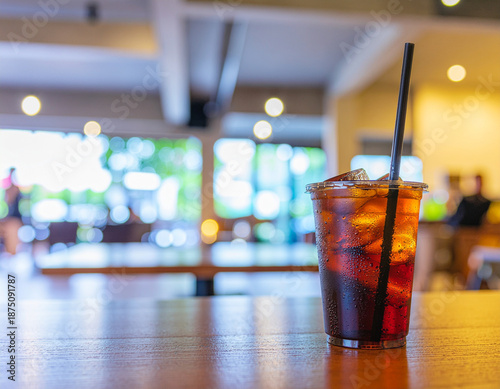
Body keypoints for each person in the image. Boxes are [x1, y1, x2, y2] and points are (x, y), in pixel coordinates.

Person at [0, 168, 23, 255]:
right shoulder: (8, 190)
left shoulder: (16, 189)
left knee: (12, 227)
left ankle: (11, 253)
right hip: (11, 219)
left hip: (15, 220)